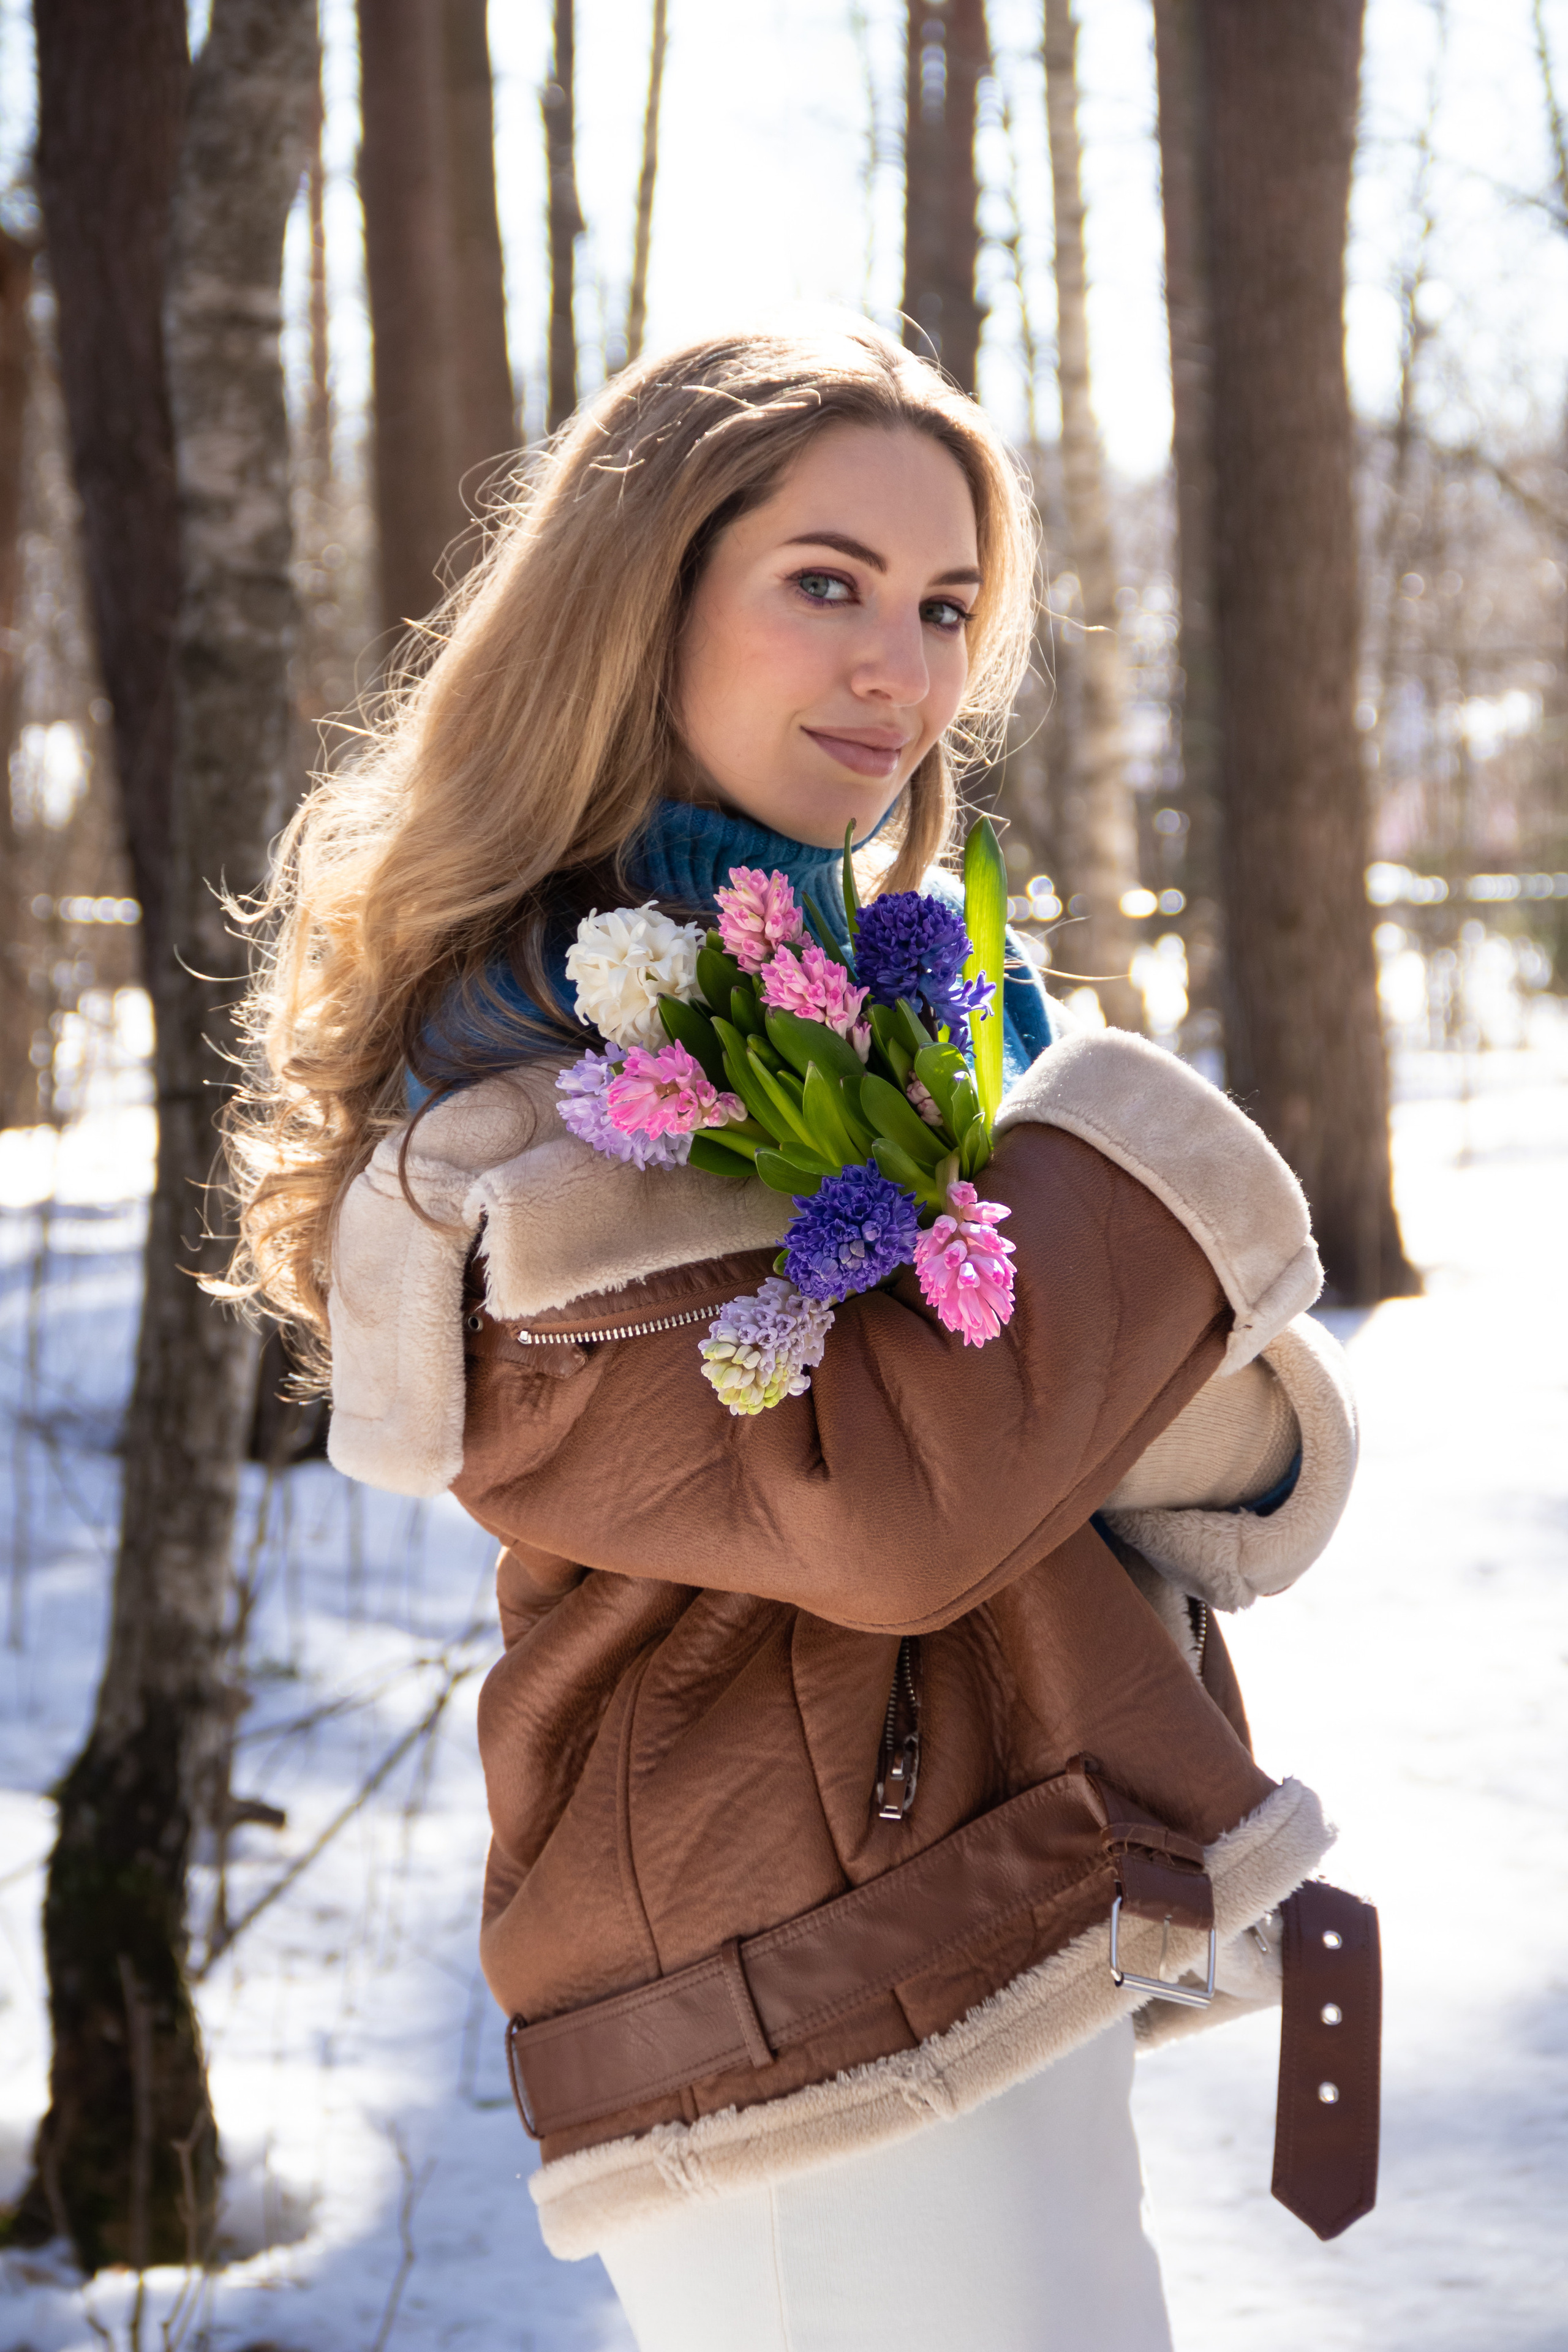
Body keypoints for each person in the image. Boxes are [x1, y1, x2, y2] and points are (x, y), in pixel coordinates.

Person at [228, 323, 1360, 2351]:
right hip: (801, 2014)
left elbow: (1152, 1447)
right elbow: (897, 1504)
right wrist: (1122, 1139)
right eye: (825, 583)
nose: (899, 671)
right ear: (639, 603)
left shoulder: (887, 1019)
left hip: (977, 1935)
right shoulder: (525, 1123)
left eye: (943, 608)